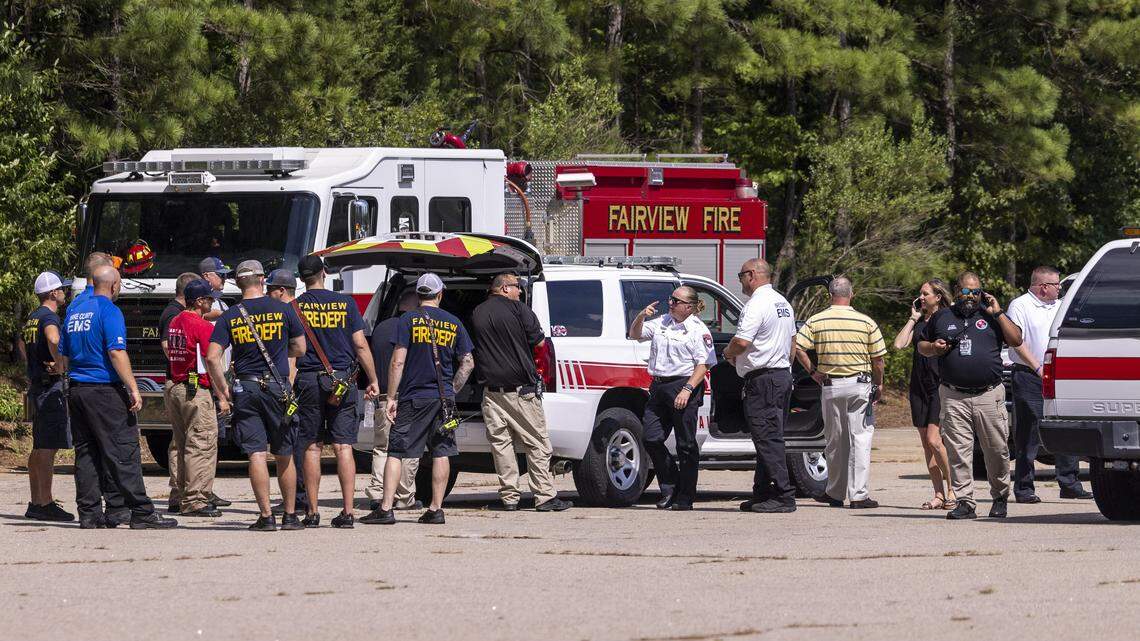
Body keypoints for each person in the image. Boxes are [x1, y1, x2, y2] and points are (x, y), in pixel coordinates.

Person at [59, 265, 176, 529]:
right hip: (104, 389)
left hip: (77, 390)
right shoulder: (109, 310)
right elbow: (116, 353)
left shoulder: (75, 310)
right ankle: (142, 512)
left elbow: (62, 356)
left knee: (87, 453)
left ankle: (89, 513)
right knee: (124, 450)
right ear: (113, 285)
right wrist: (134, 388)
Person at [361, 273, 474, 525]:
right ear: (440, 295)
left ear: (419, 295)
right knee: (441, 451)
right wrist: (451, 390)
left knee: (396, 450)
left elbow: (398, 361)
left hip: (414, 397)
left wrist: (391, 397)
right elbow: (468, 363)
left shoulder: (407, 320)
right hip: (443, 400)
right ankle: (435, 509)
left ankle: (386, 508)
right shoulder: (454, 322)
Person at [206, 260, 306, 531]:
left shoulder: (230, 315)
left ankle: (266, 516)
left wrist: (222, 390)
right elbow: (300, 348)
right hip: (278, 388)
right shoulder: (284, 309)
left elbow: (212, 357)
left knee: (257, 454)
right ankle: (290, 515)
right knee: (284, 453)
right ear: (262, 280)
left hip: (246, 389)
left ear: (238, 283)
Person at [919, 271, 1023, 520]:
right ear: (957, 291)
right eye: (966, 291)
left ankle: (999, 496)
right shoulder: (943, 317)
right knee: (958, 451)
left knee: (997, 449)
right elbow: (922, 345)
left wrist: (998, 312)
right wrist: (934, 347)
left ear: (982, 292)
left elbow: (1016, 339)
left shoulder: (991, 316)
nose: (970, 296)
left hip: (989, 394)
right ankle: (965, 502)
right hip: (954, 395)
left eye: (976, 291)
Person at [293, 255, 380, 529]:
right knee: (344, 446)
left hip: (308, 381)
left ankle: (312, 511)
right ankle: (347, 512)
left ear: (302, 278)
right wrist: (374, 379)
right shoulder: (346, 304)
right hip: (343, 381)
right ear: (324, 273)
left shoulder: (293, 307)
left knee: (312, 446)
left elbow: (292, 353)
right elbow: (360, 345)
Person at [472, 273, 572, 512]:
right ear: (505, 288)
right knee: (538, 443)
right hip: (520, 391)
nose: (521, 291)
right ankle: (545, 496)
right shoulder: (520, 311)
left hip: (491, 393)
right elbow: (539, 344)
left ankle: (509, 498)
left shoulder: (478, 312)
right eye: (518, 287)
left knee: (502, 445)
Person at [795, 277, 887, 509]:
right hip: (859, 386)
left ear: (830, 295)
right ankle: (859, 495)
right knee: (861, 440)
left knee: (835, 442)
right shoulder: (866, 322)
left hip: (831, 387)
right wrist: (879, 385)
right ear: (851, 294)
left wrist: (813, 372)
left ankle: (835, 492)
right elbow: (878, 360)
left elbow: (797, 347)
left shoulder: (817, 320)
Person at [1007, 266, 1093, 503]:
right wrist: (1037, 367)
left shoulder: (1060, 306)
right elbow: (1017, 342)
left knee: (1065, 426)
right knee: (1029, 432)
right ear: (1043, 287)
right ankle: (1024, 488)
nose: (1060, 289)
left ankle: (1069, 483)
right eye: (1057, 285)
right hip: (1029, 375)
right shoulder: (1020, 305)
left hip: (1058, 376)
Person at [628, 285, 716, 511]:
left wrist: (687, 389)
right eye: (671, 299)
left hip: (684, 385)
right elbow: (635, 334)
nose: (670, 303)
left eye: (675, 301)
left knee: (685, 444)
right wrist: (640, 316)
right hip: (659, 386)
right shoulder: (662, 321)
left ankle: (685, 496)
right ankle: (670, 485)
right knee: (651, 438)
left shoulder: (698, 330)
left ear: (688, 307)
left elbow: (703, 364)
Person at [723, 259, 798, 514]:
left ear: (752, 275)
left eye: (741, 275)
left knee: (767, 438)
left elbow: (742, 342)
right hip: (780, 376)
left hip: (764, 380)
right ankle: (764, 492)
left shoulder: (756, 304)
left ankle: (784, 495)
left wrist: (727, 353)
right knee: (768, 436)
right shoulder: (783, 303)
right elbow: (792, 343)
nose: (740, 280)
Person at [163, 279, 227, 517]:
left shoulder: (175, 321)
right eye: (209, 299)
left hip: (175, 385)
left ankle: (179, 495)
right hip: (195, 388)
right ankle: (196, 499)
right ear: (200, 301)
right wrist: (222, 393)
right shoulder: (203, 326)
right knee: (202, 443)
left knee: (181, 444)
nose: (212, 302)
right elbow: (211, 361)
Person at [892, 278, 956, 510]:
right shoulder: (919, 322)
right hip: (918, 387)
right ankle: (938, 494)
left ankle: (953, 490)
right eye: (920, 293)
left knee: (935, 441)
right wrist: (913, 318)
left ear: (938, 297)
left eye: (925, 294)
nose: (921, 297)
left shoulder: (948, 319)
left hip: (939, 386)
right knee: (926, 445)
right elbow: (899, 344)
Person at [21, 271, 74, 521]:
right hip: (49, 388)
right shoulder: (50, 317)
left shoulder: (32, 317)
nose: (64, 292)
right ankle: (45, 502)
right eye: (61, 289)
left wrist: (31, 367)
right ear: (53, 293)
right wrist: (61, 364)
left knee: (38, 446)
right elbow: (54, 338)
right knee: (47, 448)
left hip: (36, 385)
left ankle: (35, 501)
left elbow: (21, 344)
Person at [364, 289, 422, 512]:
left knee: (381, 448)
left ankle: (377, 494)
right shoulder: (413, 329)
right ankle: (405, 496)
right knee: (407, 449)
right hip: (405, 398)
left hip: (381, 397)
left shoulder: (380, 328)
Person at [159, 272, 201, 358]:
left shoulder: (179, 311)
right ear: (190, 292)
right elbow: (166, 345)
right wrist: (181, 364)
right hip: (179, 371)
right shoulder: (174, 314)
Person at [198, 256, 231, 322]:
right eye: (221, 275)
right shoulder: (194, 300)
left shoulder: (221, 303)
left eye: (225, 275)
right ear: (206, 276)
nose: (225, 278)